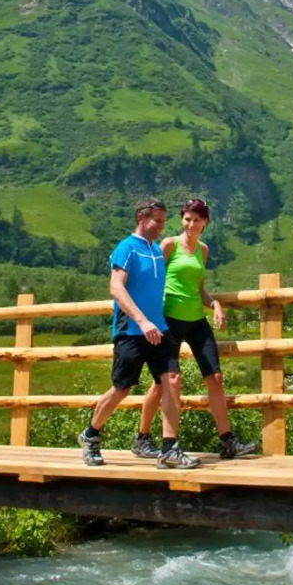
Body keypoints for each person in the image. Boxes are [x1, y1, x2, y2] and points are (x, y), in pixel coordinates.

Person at [78, 198, 199, 470]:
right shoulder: (126, 248)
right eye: (156, 221)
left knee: (172, 380)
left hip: (159, 330)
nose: (160, 227)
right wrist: (142, 321)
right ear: (141, 219)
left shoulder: (156, 250)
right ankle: (91, 434)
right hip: (132, 330)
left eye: (163, 222)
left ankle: (170, 448)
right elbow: (116, 288)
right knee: (122, 388)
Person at [133, 198, 257, 460]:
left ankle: (227, 442)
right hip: (169, 320)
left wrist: (215, 304)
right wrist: (147, 317)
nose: (191, 224)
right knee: (164, 383)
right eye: (187, 219)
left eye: (197, 220)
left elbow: (199, 288)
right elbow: (151, 279)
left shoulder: (203, 250)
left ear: (205, 223)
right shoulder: (169, 245)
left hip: (196, 320)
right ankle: (144, 438)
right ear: (182, 219)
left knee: (215, 377)